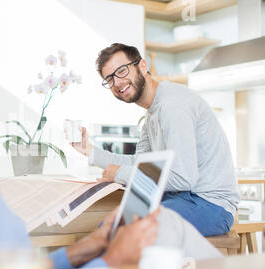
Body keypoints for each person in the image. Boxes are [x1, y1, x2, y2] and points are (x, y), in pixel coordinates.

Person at [0, 23, 220, 269]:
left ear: (142, 66)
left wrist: (81, 251)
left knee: (124, 227)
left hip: (200, 201)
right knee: (137, 229)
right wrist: (110, 258)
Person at [69, 43, 239, 237]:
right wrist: (90, 151)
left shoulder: (171, 107)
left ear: (142, 66)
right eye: (110, 79)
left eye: (122, 71)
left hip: (210, 205)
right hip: (184, 199)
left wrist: (120, 174)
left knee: (119, 234)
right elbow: (141, 163)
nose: (117, 83)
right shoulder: (152, 113)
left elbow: (183, 179)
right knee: (107, 229)